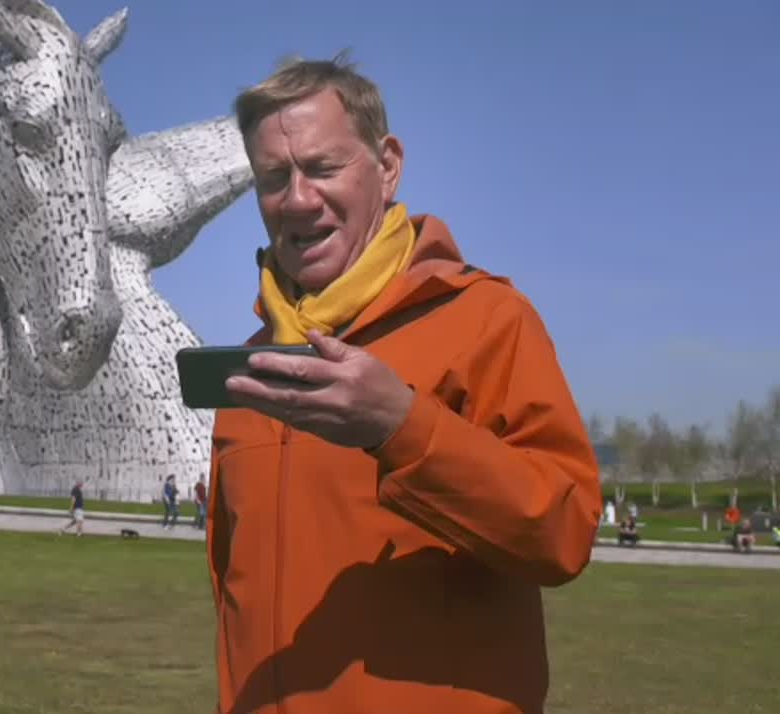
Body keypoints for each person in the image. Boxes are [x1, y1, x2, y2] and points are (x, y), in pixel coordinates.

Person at [203, 53, 602, 714]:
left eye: (322, 168)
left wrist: (403, 428)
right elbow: (234, 596)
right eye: (273, 177)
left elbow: (566, 535)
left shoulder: (488, 320)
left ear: (387, 166)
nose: (297, 199)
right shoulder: (253, 369)